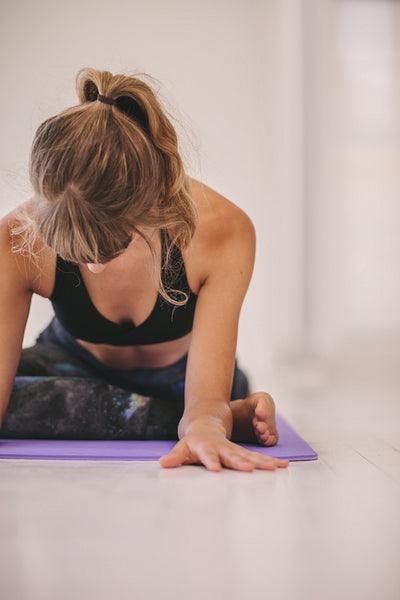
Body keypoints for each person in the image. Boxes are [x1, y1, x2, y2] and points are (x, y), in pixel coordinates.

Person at [0, 68, 288, 472]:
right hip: (70, 369)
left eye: (111, 247)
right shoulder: (15, 235)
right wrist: (200, 422)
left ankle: (208, 415)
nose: (95, 267)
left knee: (62, 405)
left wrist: (206, 420)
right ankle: (189, 419)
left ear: (152, 203)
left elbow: (204, 401)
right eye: (75, 252)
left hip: (186, 382)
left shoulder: (223, 229)